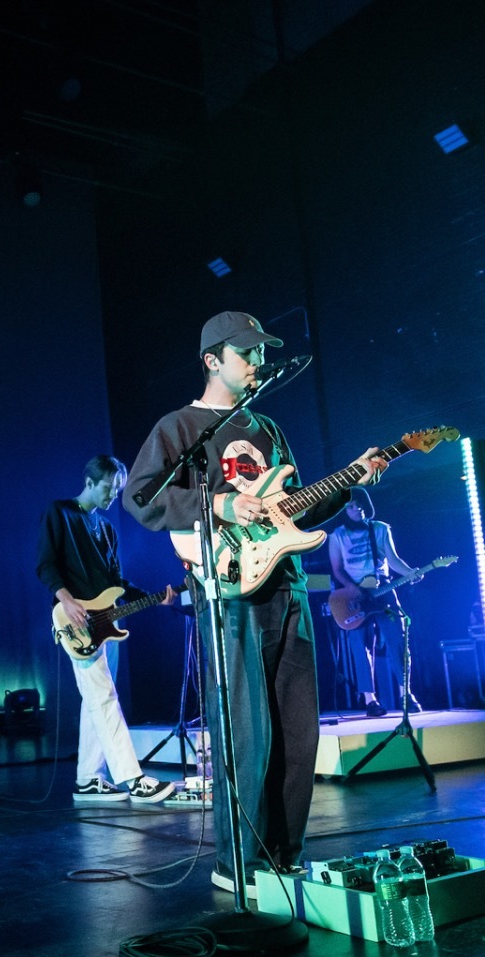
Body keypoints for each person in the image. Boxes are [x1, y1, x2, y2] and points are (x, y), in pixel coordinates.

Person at [124, 311, 386, 897]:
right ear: (212, 360)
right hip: (227, 589)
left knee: (297, 729)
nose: (259, 363)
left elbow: (295, 509)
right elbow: (140, 498)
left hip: (285, 586)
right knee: (245, 729)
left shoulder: (266, 426)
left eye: (262, 352)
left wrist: (350, 483)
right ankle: (239, 860)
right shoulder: (180, 427)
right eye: (247, 353)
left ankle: (286, 854)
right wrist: (217, 507)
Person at [37, 455, 179, 804]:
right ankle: (133, 778)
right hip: (76, 622)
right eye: (107, 488)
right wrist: (67, 600)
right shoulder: (60, 513)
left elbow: (116, 582)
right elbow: (45, 564)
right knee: (103, 697)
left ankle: (88, 778)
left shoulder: (108, 529)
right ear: (89, 482)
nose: (112, 496)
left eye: (117, 490)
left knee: (95, 700)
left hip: (108, 622)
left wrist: (153, 597)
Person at [327, 486, 418, 716]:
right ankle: (370, 700)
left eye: (359, 504)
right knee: (360, 647)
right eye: (350, 507)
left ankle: (405, 693)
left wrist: (409, 572)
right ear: (344, 511)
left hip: (383, 591)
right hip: (354, 597)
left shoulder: (380, 529)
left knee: (398, 640)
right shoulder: (337, 536)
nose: (356, 509)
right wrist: (354, 590)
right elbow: (337, 569)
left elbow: (393, 559)